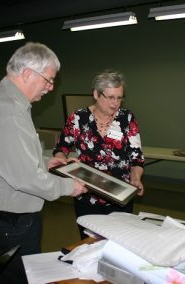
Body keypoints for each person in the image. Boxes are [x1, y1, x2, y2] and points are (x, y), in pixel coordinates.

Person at [0, 42, 87, 284]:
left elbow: (9, 154)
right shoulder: (7, 109)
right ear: (28, 73)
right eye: (48, 80)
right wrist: (68, 187)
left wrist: (46, 162)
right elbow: (24, 178)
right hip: (5, 223)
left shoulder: (5, 99)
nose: (50, 88)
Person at [53, 69, 145, 239]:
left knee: (119, 243)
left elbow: (136, 156)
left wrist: (136, 177)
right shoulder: (78, 118)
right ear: (96, 94)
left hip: (120, 194)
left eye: (119, 97)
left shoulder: (127, 118)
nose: (115, 103)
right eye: (110, 97)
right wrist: (62, 162)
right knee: (89, 243)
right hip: (86, 194)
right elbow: (61, 148)